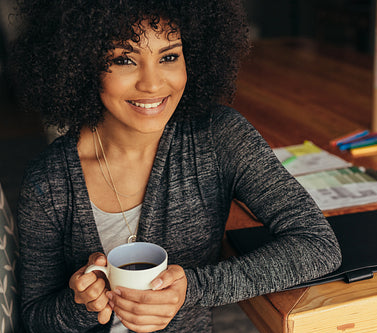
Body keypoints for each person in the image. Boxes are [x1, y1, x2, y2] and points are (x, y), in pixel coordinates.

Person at [10, 0, 342, 332]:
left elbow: (317, 244)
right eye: (124, 60)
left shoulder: (217, 138)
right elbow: (36, 317)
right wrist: (79, 304)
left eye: (169, 57)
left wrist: (193, 289)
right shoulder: (49, 182)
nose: (152, 84)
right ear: (81, 65)